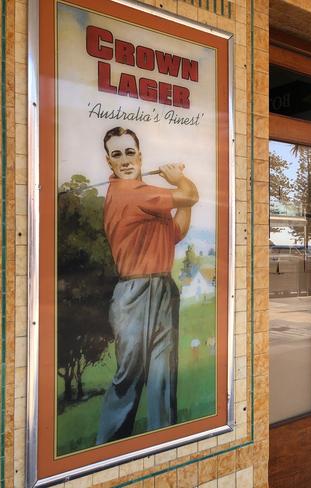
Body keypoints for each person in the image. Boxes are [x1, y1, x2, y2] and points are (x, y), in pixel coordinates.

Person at [96, 126, 198, 444]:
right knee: (128, 379)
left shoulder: (147, 197)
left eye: (130, 152)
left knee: (162, 378)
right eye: (117, 154)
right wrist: (179, 180)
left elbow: (176, 231)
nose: (125, 160)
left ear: (140, 155)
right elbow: (191, 195)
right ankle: (105, 451)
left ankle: (163, 445)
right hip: (134, 294)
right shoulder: (130, 193)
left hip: (163, 289)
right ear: (109, 162)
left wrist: (179, 195)